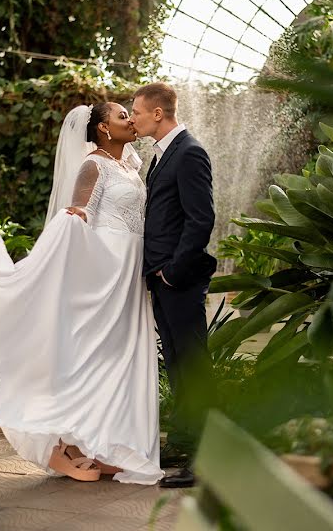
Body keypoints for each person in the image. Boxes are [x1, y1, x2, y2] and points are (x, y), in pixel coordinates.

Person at [0, 103, 163, 485]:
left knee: (115, 357)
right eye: (121, 116)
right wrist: (72, 222)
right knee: (86, 352)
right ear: (102, 128)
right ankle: (56, 447)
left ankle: (98, 444)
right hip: (104, 266)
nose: (131, 120)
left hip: (130, 270)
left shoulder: (131, 165)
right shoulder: (93, 165)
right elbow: (80, 210)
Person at [130, 82, 217, 489]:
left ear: (159, 114)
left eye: (138, 112)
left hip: (178, 279)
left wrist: (172, 271)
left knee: (193, 367)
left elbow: (201, 219)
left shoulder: (190, 152)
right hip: (163, 279)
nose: (133, 118)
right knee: (180, 367)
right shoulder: (163, 155)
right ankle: (185, 445)